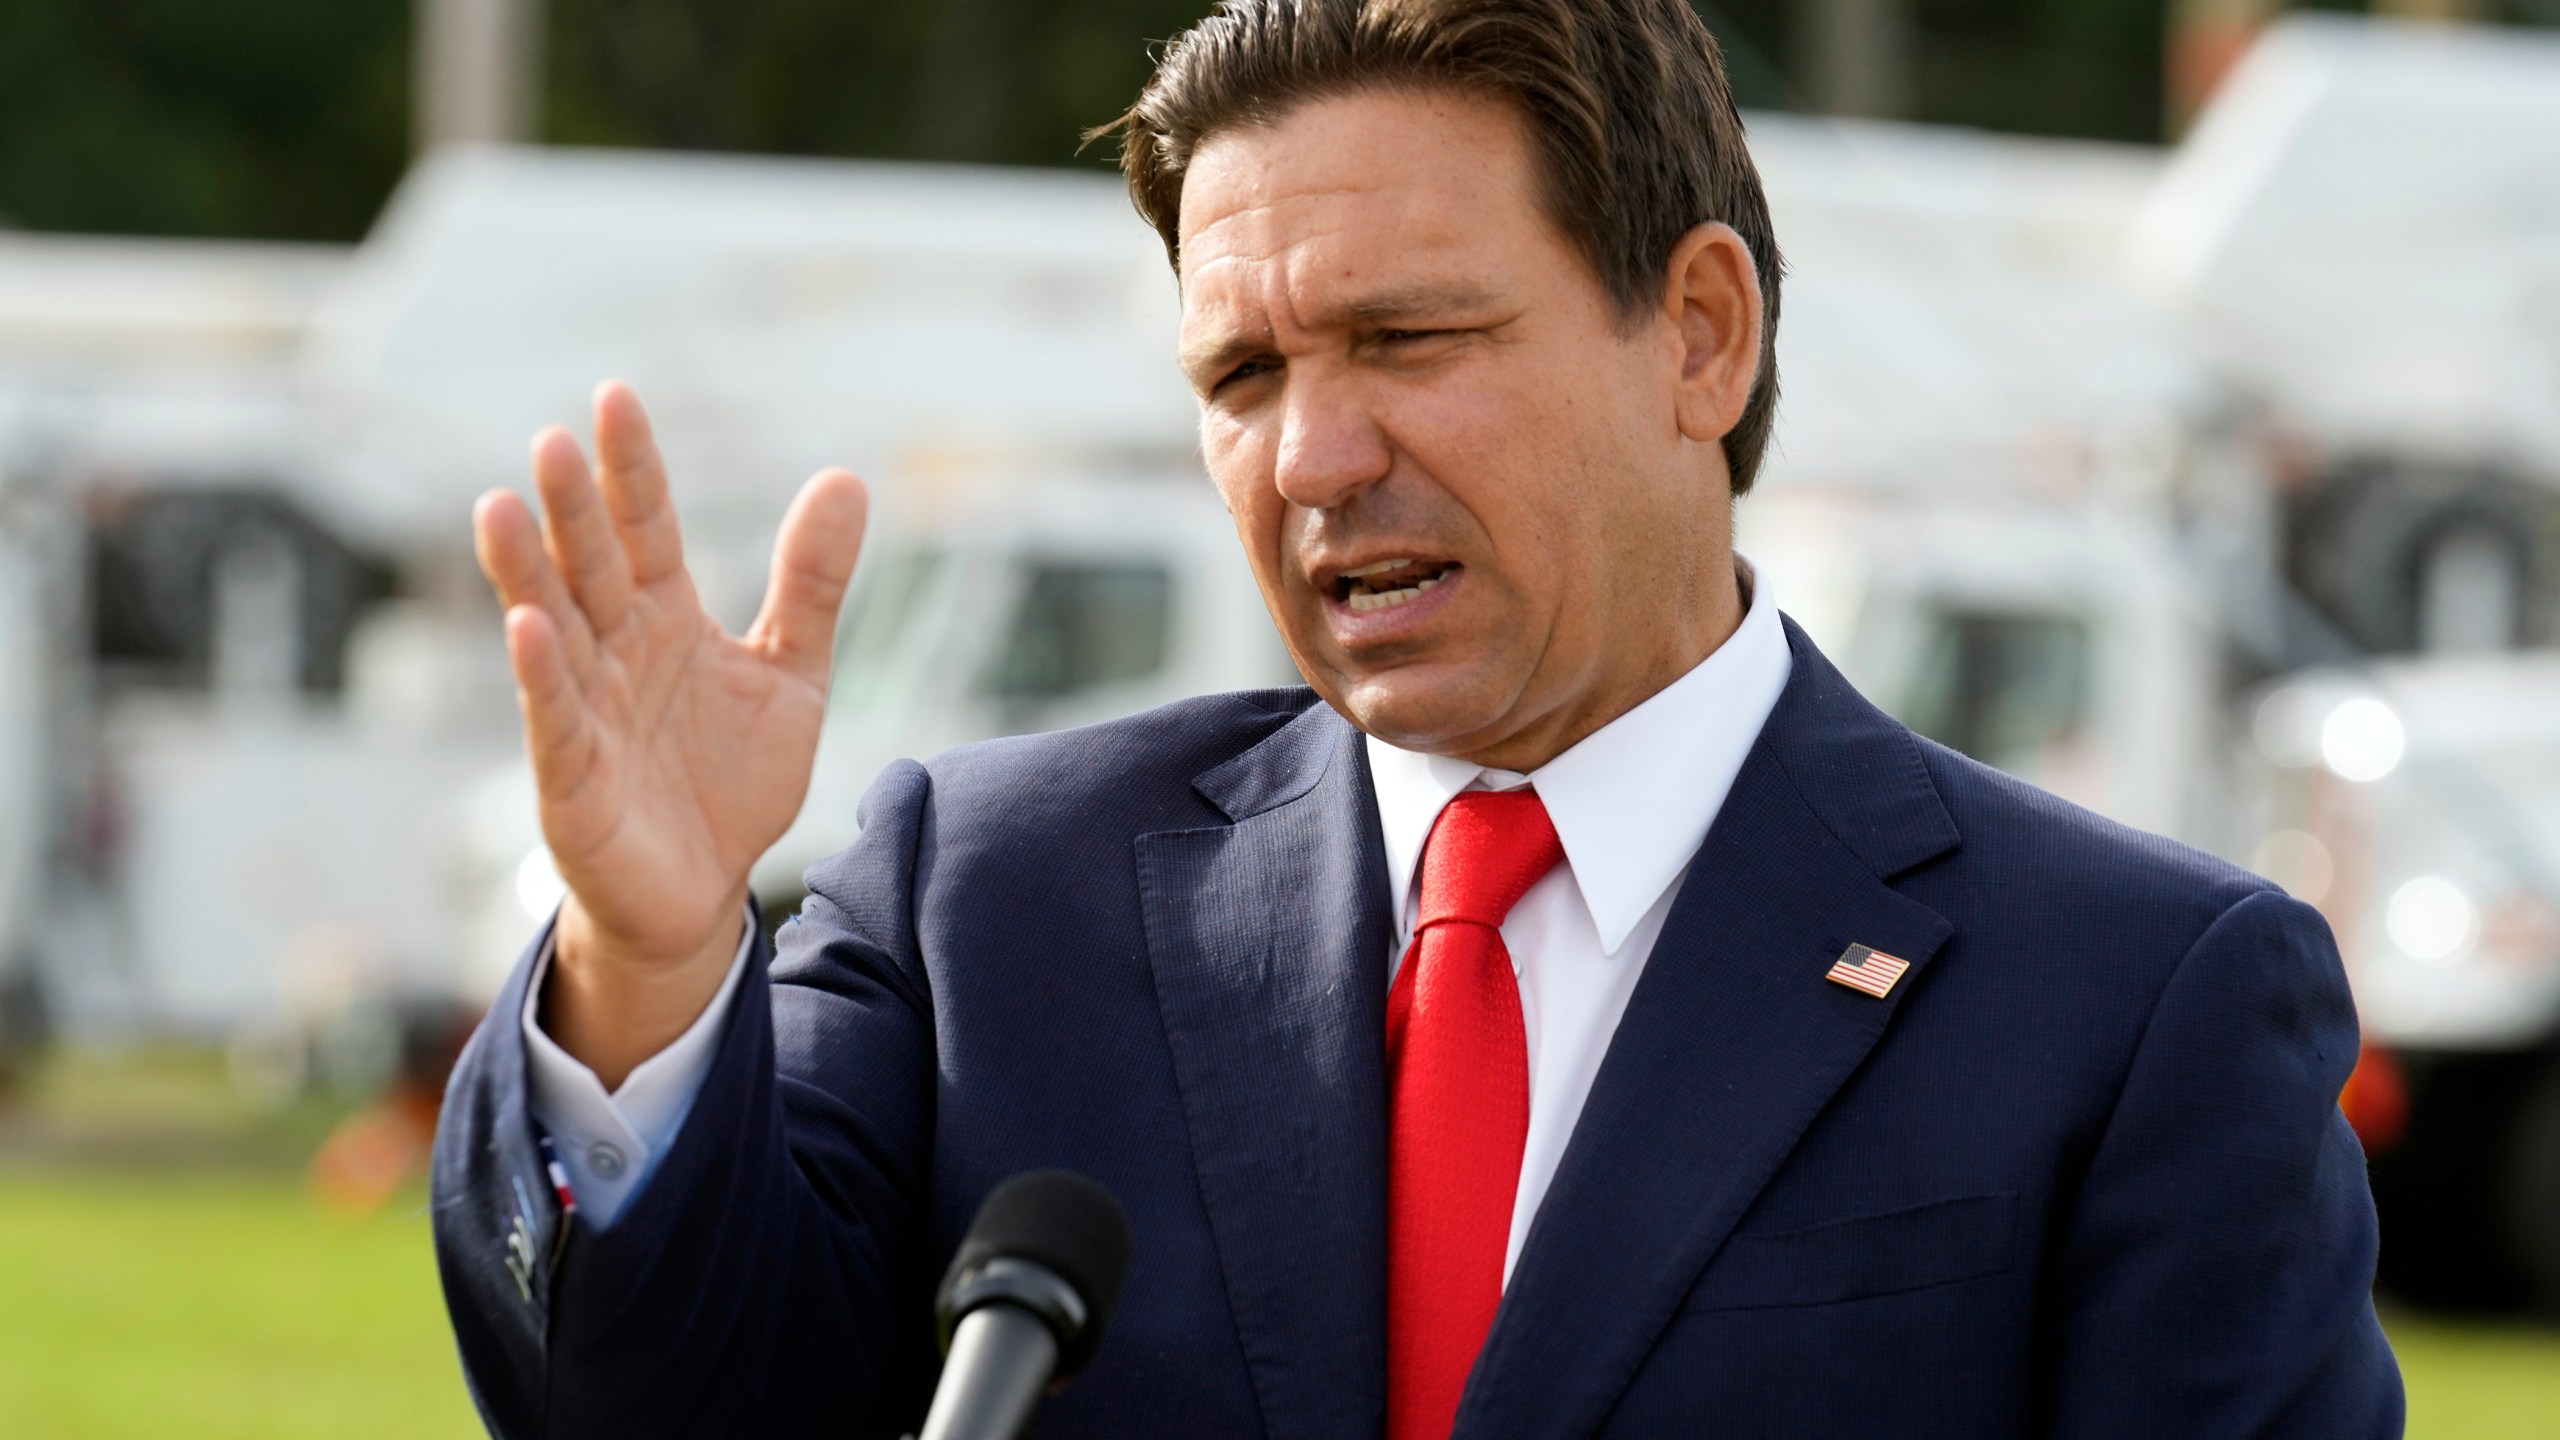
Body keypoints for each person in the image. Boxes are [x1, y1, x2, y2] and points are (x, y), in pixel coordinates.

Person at [431, 1, 2404, 1435]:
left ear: (1696, 334)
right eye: (1240, 371)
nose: (1311, 453)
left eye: (1404, 339)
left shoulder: (2135, 1002)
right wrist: (655, 957)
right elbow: (658, 1412)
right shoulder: (988, 898)